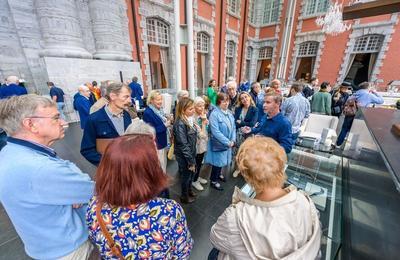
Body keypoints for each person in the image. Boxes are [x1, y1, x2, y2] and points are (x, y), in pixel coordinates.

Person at [0, 95, 94, 259]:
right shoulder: (40, 168)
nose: (64, 122)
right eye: (56, 118)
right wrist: (71, 181)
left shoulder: (10, 152)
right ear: (31, 124)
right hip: (70, 249)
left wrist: (69, 188)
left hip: (44, 246)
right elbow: (92, 190)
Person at [209, 137, 321, 259]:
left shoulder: (237, 216)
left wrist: (238, 204)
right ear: (282, 165)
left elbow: (215, 238)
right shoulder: (304, 201)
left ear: (246, 176)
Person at [86, 135, 193, 259]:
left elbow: (96, 240)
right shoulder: (169, 211)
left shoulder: (95, 207)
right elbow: (182, 252)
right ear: (149, 171)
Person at [81, 82, 132, 165]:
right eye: (126, 97)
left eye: (129, 97)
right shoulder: (94, 119)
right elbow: (87, 150)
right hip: (109, 171)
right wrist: (109, 163)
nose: (129, 101)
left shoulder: (126, 115)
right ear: (112, 96)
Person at [205, 93, 236, 191]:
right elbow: (215, 132)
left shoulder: (229, 113)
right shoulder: (214, 114)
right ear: (219, 102)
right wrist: (228, 142)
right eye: (223, 101)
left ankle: (218, 175)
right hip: (220, 143)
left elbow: (234, 127)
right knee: (217, 163)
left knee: (222, 162)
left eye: (227, 101)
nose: (226, 103)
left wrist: (233, 139)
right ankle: (213, 181)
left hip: (228, 143)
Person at [173, 98, 198, 203]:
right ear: (183, 110)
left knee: (191, 174)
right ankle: (184, 196)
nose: (193, 110)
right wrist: (191, 161)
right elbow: (183, 145)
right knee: (186, 176)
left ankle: (189, 190)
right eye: (190, 109)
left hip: (190, 153)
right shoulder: (180, 124)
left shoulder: (189, 119)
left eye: (193, 108)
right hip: (184, 155)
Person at [143, 90, 173, 172]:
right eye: (158, 99)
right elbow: (149, 131)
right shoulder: (148, 113)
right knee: (158, 167)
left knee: (163, 165)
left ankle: (162, 181)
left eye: (161, 99)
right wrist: (165, 125)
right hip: (156, 145)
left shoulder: (159, 110)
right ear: (151, 100)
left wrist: (167, 118)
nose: (160, 102)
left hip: (162, 142)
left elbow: (161, 120)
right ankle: (159, 183)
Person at [192, 97, 209, 191]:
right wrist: (203, 122)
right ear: (194, 107)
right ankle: (194, 181)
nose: (202, 108)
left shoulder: (202, 115)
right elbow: (201, 135)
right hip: (196, 145)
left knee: (200, 162)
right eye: (199, 106)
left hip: (202, 144)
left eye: (203, 105)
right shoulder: (193, 118)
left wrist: (206, 122)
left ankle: (197, 177)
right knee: (196, 163)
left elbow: (207, 129)